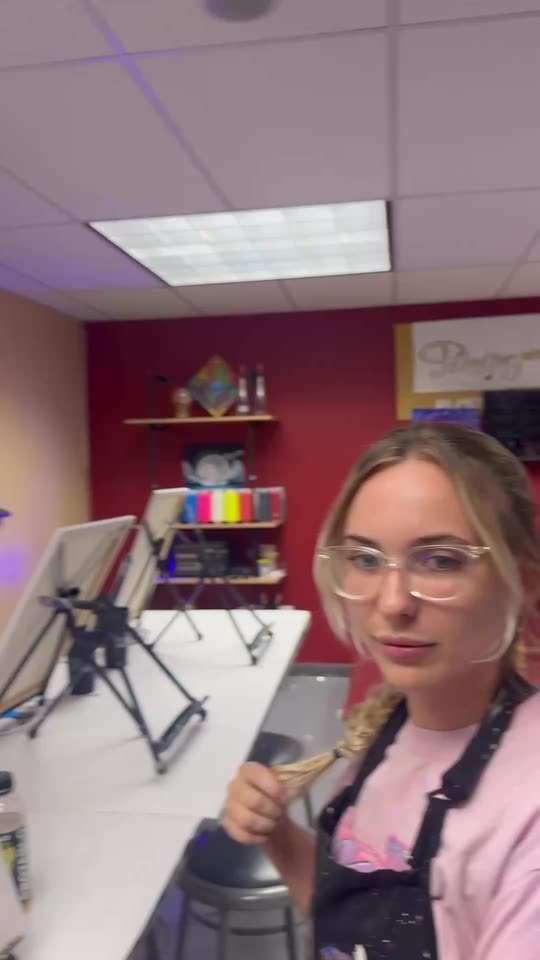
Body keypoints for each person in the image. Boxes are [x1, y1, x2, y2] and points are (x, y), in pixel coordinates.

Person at [222, 423, 540, 960]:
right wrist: (276, 833)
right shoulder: (388, 728)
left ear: (523, 583)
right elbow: (352, 921)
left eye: (440, 561)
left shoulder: (527, 808)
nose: (392, 603)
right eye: (366, 560)